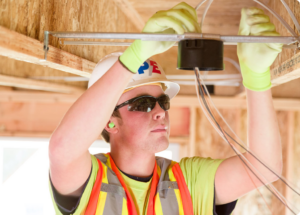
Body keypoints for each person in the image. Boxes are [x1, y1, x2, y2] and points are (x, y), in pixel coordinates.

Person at [48, 2, 283, 215]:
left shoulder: (189, 182)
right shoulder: (89, 181)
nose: (160, 112)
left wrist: (256, 77)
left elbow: (265, 167)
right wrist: (134, 55)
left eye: (163, 102)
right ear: (109, 122)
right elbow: (62, 149)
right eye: (143, 104)